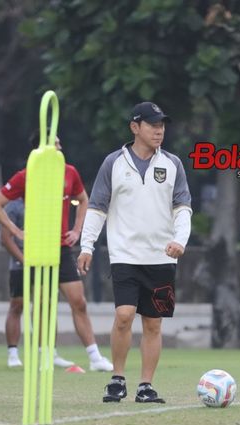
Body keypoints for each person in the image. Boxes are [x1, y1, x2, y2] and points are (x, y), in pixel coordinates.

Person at [78, 101, 192, 404]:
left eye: (162, 125)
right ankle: (117, 379)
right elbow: (97, 207)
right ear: (135, 127)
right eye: (153, 125)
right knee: (124, 315)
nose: (159, 130)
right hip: (125, 255)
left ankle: (145, 386)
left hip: (162, 258)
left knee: (154, 323)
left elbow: (183, 208)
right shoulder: (113, 163)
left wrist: (180, 240)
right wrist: (86, 245)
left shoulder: (173, 164)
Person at [0, 134, 113, 372]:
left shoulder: (69, 172)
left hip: (62, 249)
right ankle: (44, 354)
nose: (60, 146)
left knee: (79, 301)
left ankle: (95, 357)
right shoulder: (26, 175)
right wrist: (16, 230)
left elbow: (83, 200)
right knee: (43, 305)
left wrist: (76, 230)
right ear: (41, 148)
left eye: (60, 142)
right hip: (38, 249)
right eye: (55, 143)